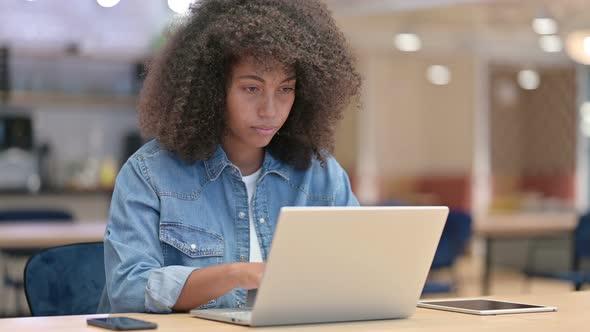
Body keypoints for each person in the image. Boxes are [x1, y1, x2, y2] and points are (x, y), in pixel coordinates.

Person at [98, 0, 361, 313]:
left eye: (285, 89)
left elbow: (359, 274)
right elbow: (128, 289)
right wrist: (236, 275)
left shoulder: (322, 175)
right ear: (210, 87)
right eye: (251, 88)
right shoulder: (149, 173)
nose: (270, 110)